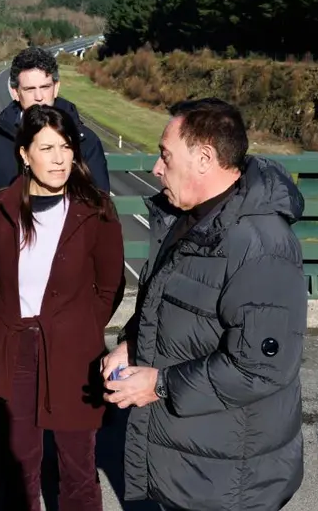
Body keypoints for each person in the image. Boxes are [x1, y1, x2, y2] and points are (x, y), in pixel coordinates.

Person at [100, 98, 307, 511]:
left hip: (229, 479)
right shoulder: (192, 217)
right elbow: (169, 302)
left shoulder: (260, 246)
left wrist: (159, 384)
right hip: (191, 463)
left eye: (165, 155)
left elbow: (259, 368)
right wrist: (132, 343)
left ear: (205, 158)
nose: (156, 168)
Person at [0, 105, 125, 511]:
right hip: (16, 348)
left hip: (73, 352)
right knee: (19, 465)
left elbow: (110, 285)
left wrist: (80, 327)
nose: (60, 158)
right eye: (47, 148)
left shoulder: (96, 208)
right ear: (24, 154)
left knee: (77, 464)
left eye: (66, 147)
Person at [0, 46, 110, 239]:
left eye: (45, 87)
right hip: (10, 250)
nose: (39, 97)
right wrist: (8, 246)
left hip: (72, 252)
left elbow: (99, 205)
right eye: (30, 89)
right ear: (15, 92)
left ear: (56, 87)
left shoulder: (85, 141)